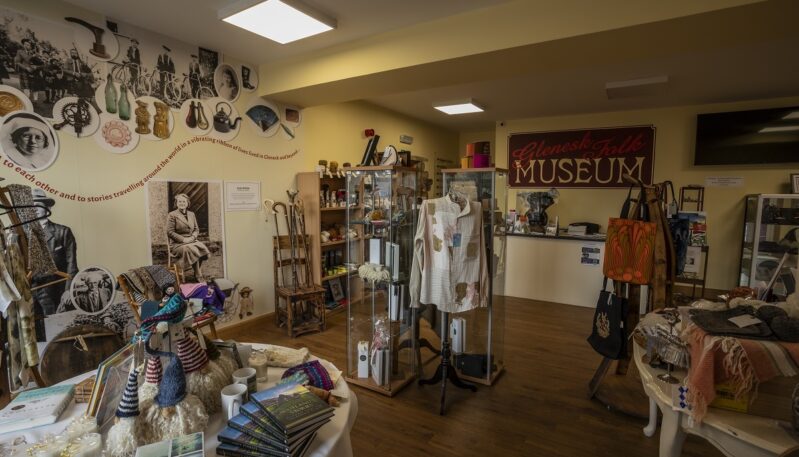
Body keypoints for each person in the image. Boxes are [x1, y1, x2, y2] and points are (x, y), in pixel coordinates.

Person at [30, 189, 78, 338]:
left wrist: (68, 291)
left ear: (47, 208)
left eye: (38, 205)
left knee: (56, 330)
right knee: (34, 331)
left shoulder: (62, 232)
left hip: (55, 289)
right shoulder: (24, 233)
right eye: (31, 207)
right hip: (31, 289)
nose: (35, 210)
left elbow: (72, 265)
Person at [167, 193, 210, 282]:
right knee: (191, 249)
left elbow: (196, 229)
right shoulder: (172, 215)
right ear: (176, 203)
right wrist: (184, 239)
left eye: (183, 201)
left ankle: (195, 270)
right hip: (177, 244)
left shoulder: (191, 214)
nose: (181, 203)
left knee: (202, 248)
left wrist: (193, 237)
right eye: (179, 201)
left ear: (187, 203)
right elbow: (170, 232)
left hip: (191, 240)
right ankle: (198, 274)